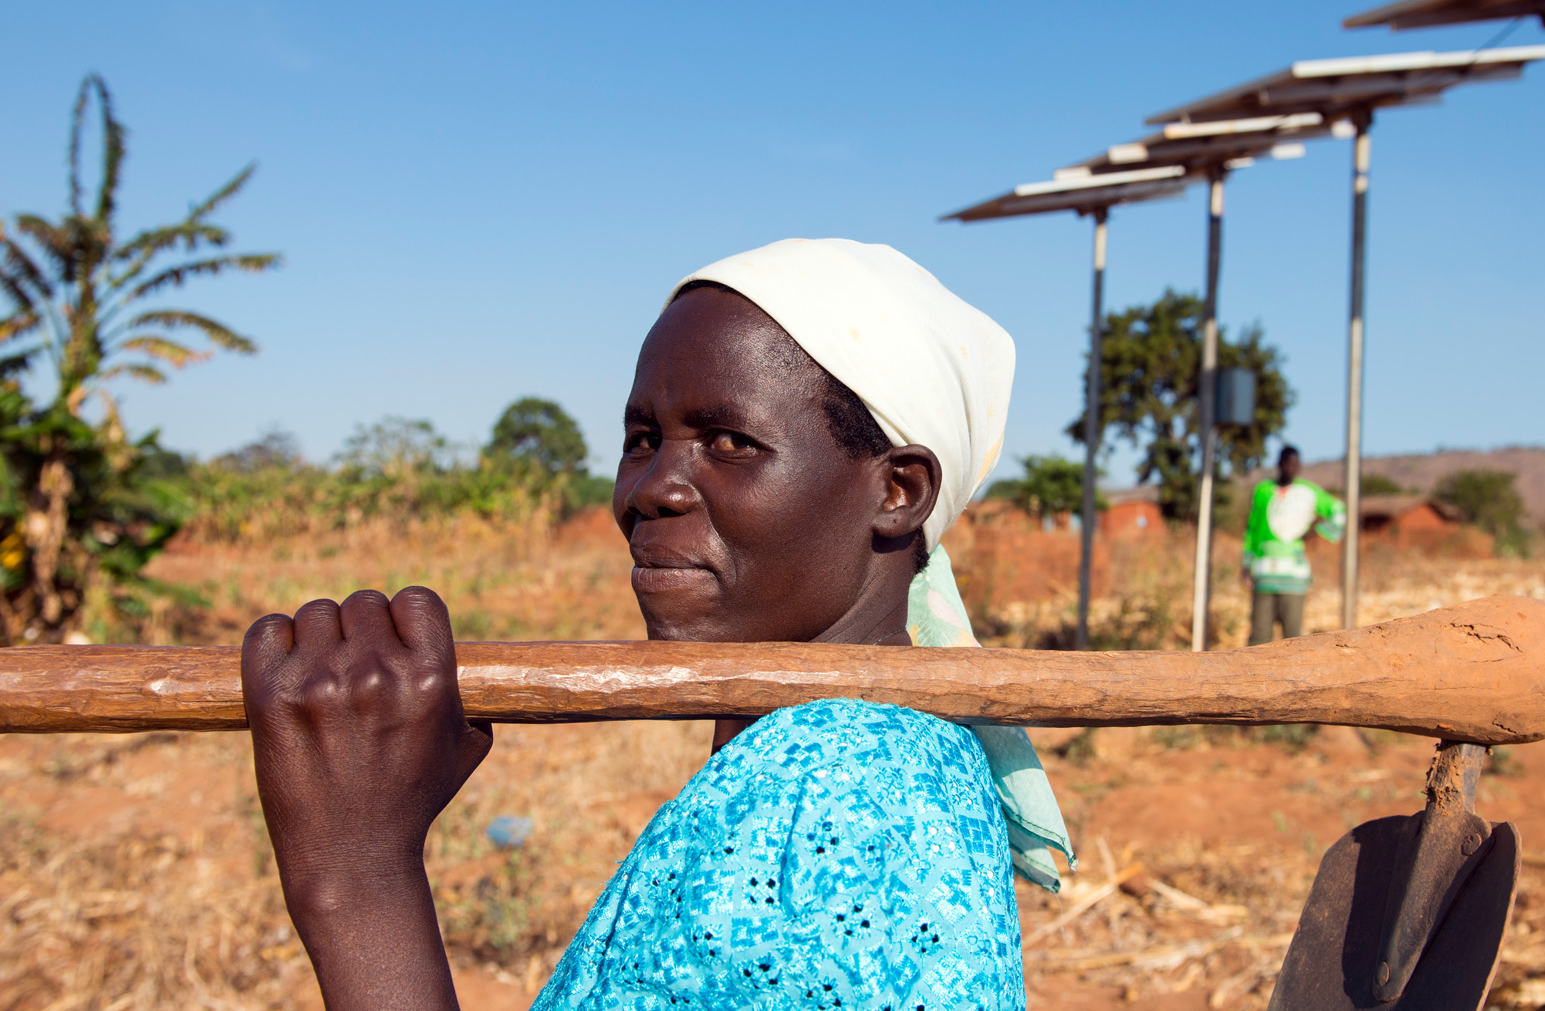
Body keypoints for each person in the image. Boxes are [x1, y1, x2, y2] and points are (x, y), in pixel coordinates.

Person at [240, 239, 1072, 1011]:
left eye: (729, 441)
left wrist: (358, 882)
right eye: (643, 439)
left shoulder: (832, 802)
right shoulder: (865, 755)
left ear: (897, 493)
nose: (648, 488)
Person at [1242, 445, 1345, 644]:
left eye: (1294, 463)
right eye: (1287, 462)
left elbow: (1339, 511)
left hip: (1293, 579)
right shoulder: (1262, 491)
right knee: (1259, 638)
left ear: (1299, 466)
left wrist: (1316, 532)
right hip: (1264, 576)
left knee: (1292, 641)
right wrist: (1246, 565)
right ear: (1279, 464)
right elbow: (1251, 530)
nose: (1290, 467)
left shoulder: (1308, 492)